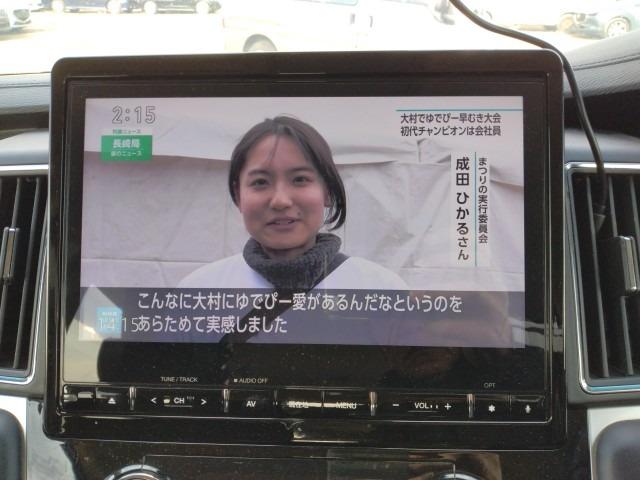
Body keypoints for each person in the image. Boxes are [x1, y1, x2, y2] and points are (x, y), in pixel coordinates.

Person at [180, 115, 407, 291]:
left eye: (300, 179)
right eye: (260, 182)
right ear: (238, 196)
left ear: (327, 192)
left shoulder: (382, 290)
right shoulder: (197, 291)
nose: (280, 201)